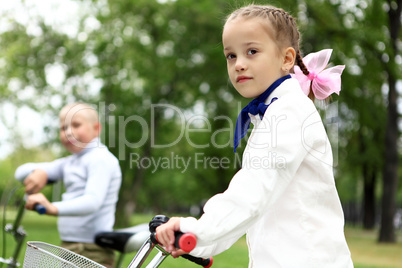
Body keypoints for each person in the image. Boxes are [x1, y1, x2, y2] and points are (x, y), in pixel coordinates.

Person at [156, 4, 353, 267]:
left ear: (286, 59)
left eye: (251, 51)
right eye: (230, 55)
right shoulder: (273, 112)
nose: (239, 64)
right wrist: (199, 240)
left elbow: (254, 189)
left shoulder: (290, 112)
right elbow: (254, 207)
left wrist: (197, 230)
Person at [15, 102, 122, 268]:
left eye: (76, 125)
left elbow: (92, 201)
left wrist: (52, 207)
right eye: (63, 128)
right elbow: (21, 172)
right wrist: (41, 172)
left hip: (92, 249)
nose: (68, 132)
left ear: (96, 129)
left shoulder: (101, 159)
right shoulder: (70, 162)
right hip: (69, 245)